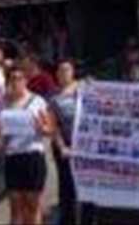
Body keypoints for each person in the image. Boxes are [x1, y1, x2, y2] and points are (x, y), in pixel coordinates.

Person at [0, 66, 54, 225]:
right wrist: (0, 133)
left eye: (19, 78)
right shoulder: (3, 103)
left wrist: (42, 129)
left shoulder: (37, 101)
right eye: (12, 79)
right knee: (15, 205)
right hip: (12, 156)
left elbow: (50, 129)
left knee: (32, 205)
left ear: (25, 81)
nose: (16, 82)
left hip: (32, 155)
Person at [50, 59, 91, 225]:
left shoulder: (85, 89)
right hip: (65, 147)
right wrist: (62, 146)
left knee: (88, 189)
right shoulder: (54, 97)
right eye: (60, 70)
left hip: (86, 146)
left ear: (73, 72)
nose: (63, 73)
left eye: (67, 70)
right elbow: (54, 126)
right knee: (67, 190)